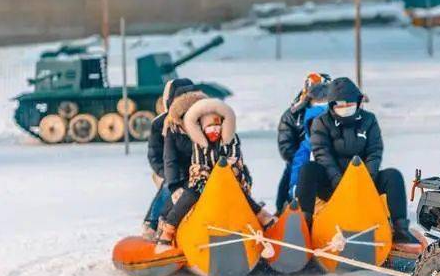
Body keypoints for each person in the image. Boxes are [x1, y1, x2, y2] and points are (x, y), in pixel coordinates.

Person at [295, 77, 417, 248]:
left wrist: (365, 181)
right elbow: (322, 155)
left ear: (358, 103)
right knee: (308, 170)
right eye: (340, 105)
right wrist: (339, 181)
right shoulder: (320, 123)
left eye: (350, 105)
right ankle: (304, 226)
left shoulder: (369, 120)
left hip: (365, 183)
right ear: (331, 105)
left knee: (393, 176)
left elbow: (375, 152)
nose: (345, 109)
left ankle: (401, 230)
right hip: (333, 184)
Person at [159, 91, 271, 244]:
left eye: (217, 126)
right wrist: (205, 181)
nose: (215, 130)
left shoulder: (230, 140)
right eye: (210, 126)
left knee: (241, 195)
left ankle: (261, 217)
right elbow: (198, 164)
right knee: (189, 196)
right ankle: (169, 229)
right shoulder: (198, 142)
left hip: (229, 180)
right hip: (203, 182)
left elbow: (235, 159)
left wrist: (227, 175)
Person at [141, 77, 194, 240]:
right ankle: (152, 222)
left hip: (196, 169)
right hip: (170, 169)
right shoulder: (160, 124)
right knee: (168, 187)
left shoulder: (198, 120)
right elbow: (154, 155)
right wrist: (166, 173)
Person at [275, 73, 331, 212]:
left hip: (326, 154)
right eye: (317, 91)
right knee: (293, 171)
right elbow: (285, 143)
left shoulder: (332, 110)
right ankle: (284, 206)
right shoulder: (293, 114)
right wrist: (301, 153)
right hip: (300, 154)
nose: (321, 96)